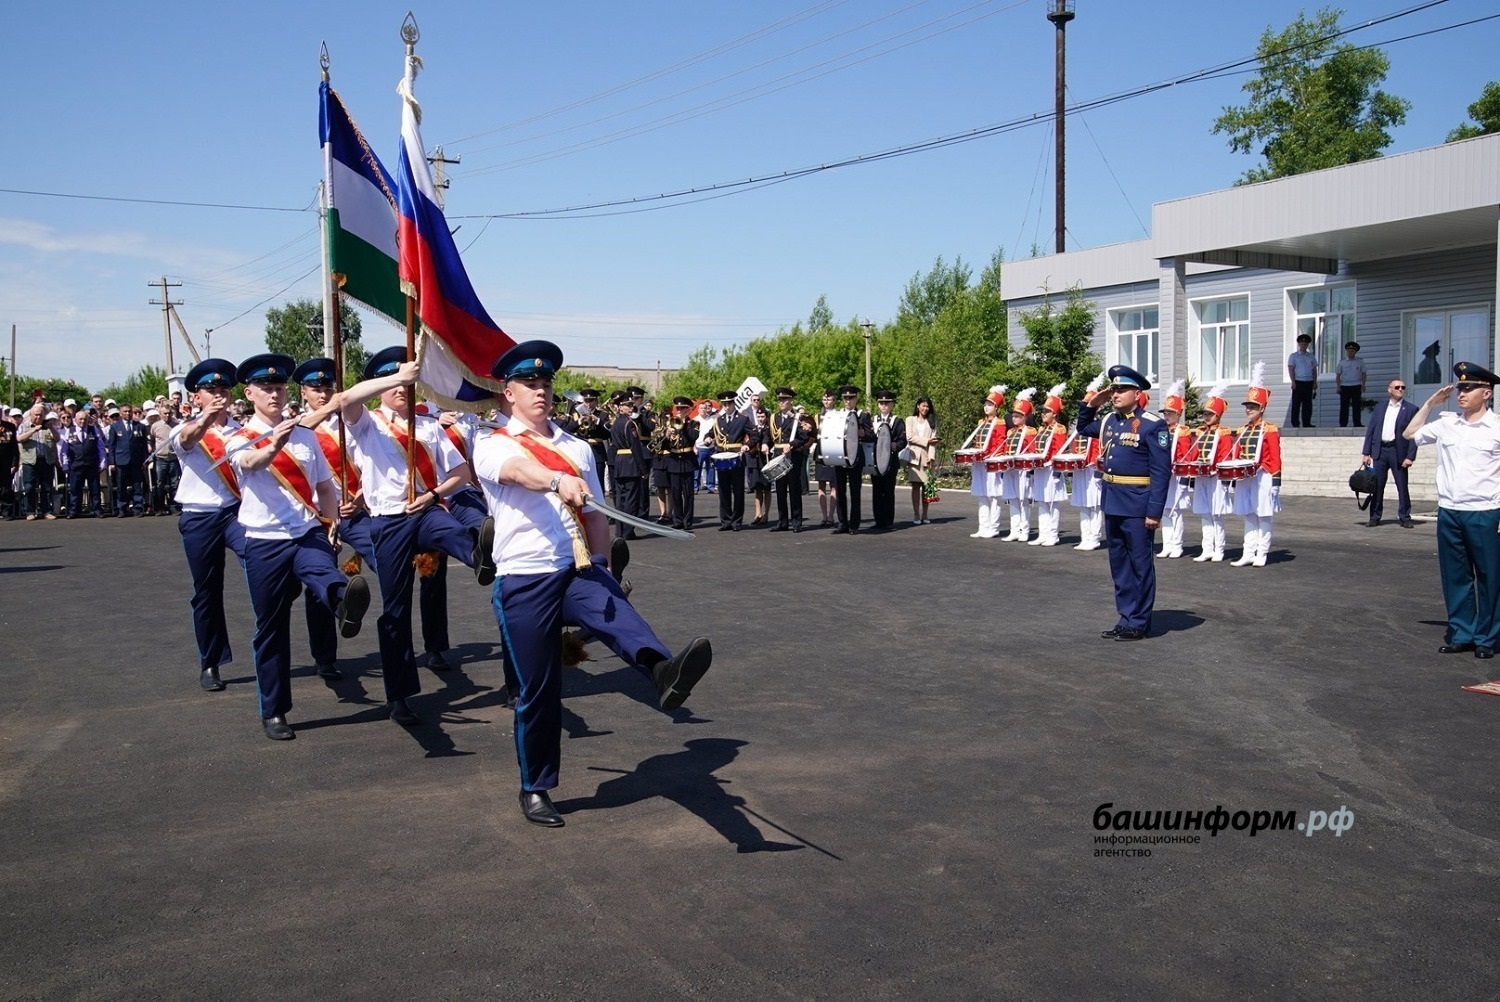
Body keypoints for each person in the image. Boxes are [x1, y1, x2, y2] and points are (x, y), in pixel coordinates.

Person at [471, 340, 712, 827]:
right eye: (529, 383)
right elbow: (520, 472)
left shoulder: (577, 447)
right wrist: (555, 481)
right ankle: (536, 786)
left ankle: (660, 671)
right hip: (523, 577)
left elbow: (595, 514)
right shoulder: (493, 442)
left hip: (574, 566)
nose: (540, 391)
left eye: (545, 383)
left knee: (615, 607)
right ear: (508, 392)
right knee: (538, 690)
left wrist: (601, 561)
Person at [339, 346, 496, 726]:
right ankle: (399, 695)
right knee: (394, 612)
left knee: (451, 530)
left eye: (406, 381)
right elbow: (345, 398)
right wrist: (398, 375)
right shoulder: (367, 423)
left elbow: (459, 474)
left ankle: (479, 558)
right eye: (392, 381)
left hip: (424, 509)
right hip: (387, 522)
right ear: (382, 384)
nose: (400, 390)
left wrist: (433, 494)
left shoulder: (428, 426)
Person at [226, 353, 370, 740]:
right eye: (267, 388)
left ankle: (344, 601)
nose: (275, 394)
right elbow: (253, 463)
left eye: (279, 387)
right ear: (250, 393)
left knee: (323, 571)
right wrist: (275, 445)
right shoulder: (238, 438)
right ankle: (274, 710)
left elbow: (324, 486)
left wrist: (331, 523)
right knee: (270, 626)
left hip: (306, 530)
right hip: (263, 541)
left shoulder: (305, 434)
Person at [1404, 362, 1500, 659]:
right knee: (1455, 576)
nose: (1461, 393)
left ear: (1486, 393)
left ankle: (1487, 638)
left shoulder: (1497, 428)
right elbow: (1410, 433)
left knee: (1489, 577)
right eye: (1460, 388)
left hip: (1485, 511)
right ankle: (1463, 633)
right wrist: (1431, 403)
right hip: (1450, 511)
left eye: (1469, 389)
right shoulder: (1447, 423)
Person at [1076, 365, 1170, 641]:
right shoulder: (1109, 422)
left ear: (1136, 393)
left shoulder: (1153, 424)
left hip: (1139, 507)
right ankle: (1125, 616)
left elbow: (1161, 472)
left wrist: (1155, 511)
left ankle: (1139, 621)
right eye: (1113, 389)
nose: (1115, 394)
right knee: (1119, 566)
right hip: (1114, 502)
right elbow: (1083, 428)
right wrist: (1091, 404)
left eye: (1121, 389)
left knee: (1140, 565)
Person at [1229, 363, 1283, 568]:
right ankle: (1248, 552)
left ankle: (1262, 552)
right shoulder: (1243, 429)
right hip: (1246, 476)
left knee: (1263, 514)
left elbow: (1276, 456)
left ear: (1262, 408)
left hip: (1264, 475)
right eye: (1247, 407)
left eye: (1252, 407)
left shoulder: (1270, 429)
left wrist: (1276, 480)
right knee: (1248, 513)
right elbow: (1238, 452)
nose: (1248, 410)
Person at [1361, 377, 1418, 528]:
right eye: (1397, 387)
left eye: (1403, 387)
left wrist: (1410, 456)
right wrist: (1366, 452)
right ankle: (1375, 516)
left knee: (1402, 486)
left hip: (1398, 452)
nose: (1400, 390)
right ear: (1390, 389)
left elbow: (1414, 435)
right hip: (1380, 451)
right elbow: (1371, 430)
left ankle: (1405, 517)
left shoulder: (1411, 409)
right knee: (1377, 486)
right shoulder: (1380, 408)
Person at [1189, 381, 1234, 562]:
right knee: (1205, 513)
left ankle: (1219, 549)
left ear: (1218, 415)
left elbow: (1225, 456)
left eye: (1210, 414)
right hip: (1202, 476)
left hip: (1216, 477)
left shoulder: (1223, 433)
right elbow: (1194, 453)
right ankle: (1206, 548)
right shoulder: (1201, 432)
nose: (1206, 417)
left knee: (1217, 514)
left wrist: (1222, 477)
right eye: (1205, 414)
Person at [1028, 384, 1072, 547]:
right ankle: (1043, 533)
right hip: (1040, 468)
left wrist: (1056, 471)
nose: (1043, 414)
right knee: (1042, 501)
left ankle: (1053, 534)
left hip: (1051, 469)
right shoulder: (1041, 429)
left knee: (1052, 503)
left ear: (1054, 413)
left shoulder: (1059, 429)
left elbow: (1058, 451)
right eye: (1042, 411)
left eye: (1046, 411)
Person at [1068, 372, 1108, 550]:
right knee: (1083, 503)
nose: (1083, 408)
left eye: (1087, 405)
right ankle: (1085, 536)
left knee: (1095, 505)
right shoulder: (1079, 428)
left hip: (1094, 469)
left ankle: (1095, 537)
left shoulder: (1101, 425)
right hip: (1081, 470)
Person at [1156, 381, 1194, 559]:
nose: (1167, 416)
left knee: (1175, 511)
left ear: (1178, 414)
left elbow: (1186, 455)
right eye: (1165, 413)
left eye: (1170, 413)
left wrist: (1184, 475)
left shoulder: (1183, 431)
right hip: (1163, 476)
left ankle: (1177, 545)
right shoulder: (1162, 430)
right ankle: (1167, 544)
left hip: (1176, 476)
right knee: (1164, 510)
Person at [829, 385, 873, 534]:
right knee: (839, 490)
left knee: (855, 491)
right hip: (840, 454)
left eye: (851, 398)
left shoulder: (863, 415)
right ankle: (842, 522)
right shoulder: (837, 414)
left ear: (856, 398)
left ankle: (854, 523)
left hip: (856, 456)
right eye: (845, 398)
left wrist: (862, 433)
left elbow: (871, 435)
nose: (848, 401)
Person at [999, 389, 1039, 542]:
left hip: (1022, 469)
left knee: (1023, 500)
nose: (1014, 418)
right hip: (1011, 469)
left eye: (1017, 416)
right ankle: (1014, 529)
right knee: (1013, 499)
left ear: (1025, 417)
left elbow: (1032, 450)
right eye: (1013, 416)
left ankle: (1025, 530)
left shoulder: (1030, 431)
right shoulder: (1010, 432)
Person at [968, 386, 1008, 539]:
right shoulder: (981, 422)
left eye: (990, 404)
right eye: (985, 404)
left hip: (991, 462)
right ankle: (983, 526)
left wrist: (991, 457)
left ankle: (994, 527)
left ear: (996, 407)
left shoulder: (1000, 423)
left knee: (994, 495)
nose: (986, 407)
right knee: (982, 495)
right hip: (980, 463)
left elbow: (1001, 443)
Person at [767, 388, 809, 532]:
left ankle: (796, 521)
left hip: (792, 456)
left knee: (794, 489)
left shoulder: (798, 418)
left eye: (784, 400)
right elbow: (768, 435)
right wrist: (765, 444)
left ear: (791, 401)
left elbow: (804, 437)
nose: (781, 402)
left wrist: (791, 444)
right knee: (780, 489)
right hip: (778, 455)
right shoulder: (774, 417)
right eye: (779, 400)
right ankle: (782, 521)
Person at [610, 391, 649, 539]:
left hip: (620, 462)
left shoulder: (615, 424)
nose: (631, 407)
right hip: (631, 463)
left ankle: (620, 531)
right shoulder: (629, 424)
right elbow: (635, 447)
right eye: (627, 405)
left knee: (621, 500)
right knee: (631, 500)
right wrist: (643, 469)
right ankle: (627, 531)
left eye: (631, 405)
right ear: (620, 407)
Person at [711, 389, 751, 531]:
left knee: (738, 491)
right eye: (724, 404)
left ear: (734, 403)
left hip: (736, 457)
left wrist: (747, 446)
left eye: (729, 403)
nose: (727, 406)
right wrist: (707, 438)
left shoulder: (742, 419)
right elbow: (711, 434)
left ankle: (737, 521)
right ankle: (726, 520)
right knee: (724, 490)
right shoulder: (719, 420)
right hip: (722, 456)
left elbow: (755, 435)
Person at [868, 390, 907, 531]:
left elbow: (903, 440)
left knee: (888, 491)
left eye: (887, 403)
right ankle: (878, 520)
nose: (884, 405)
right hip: (876, 460)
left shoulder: (897, 421)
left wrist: (894, 445)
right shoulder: (873, 420)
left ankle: (888, 521)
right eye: (881, 403)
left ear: (892, 404)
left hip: (890, 460)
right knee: (877, 490)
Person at [661, 396, 699, 530]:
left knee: (688, 494)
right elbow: (664, 446)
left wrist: (682, 425)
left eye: (682, 408)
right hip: (674, 460)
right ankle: (677, 520)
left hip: (687, 460)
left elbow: (693, 437)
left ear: (688, 410)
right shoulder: (669, 424)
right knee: (675, 493)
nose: (679, 411)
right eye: (678, 408)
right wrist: (666, 434)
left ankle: (687, 521)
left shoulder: (694, 424)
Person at [904, 396, 938, 524]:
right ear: (918, 406)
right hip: (914, 457)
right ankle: (916, 514)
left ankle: (925, 514)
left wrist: (931, 457)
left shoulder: (932, 421)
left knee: (927, 487)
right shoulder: (910, 420)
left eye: (927, 406)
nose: (925, 408)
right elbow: (910, 437)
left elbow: (933, 442)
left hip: (927, 457)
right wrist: (926, 441)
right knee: (915, 486)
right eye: (923, 405)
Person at [813, 389, 837, 526]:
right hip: (820, 451)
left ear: (834, 401)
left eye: (829, 399)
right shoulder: (817, 417)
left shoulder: (838, 415)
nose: (826, 401)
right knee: (821, 485)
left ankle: (831, 515)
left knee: (834, 485)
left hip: (833, 451)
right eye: (824, 399)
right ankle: (824, 515)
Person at [1287, 332, 1319, 427]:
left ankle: (1307, 423)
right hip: (1298, 382)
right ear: (1299, 344)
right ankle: (1295, 423)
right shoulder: (1294, 356)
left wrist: (1314, 382)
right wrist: (1293, 382)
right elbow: (1291, 369)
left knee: (1307, 404)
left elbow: (1314, 370)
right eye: (1301, 344)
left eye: (1305, 344)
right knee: (1296, 403)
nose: (1303, 346)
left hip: (1308, 382)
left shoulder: (1311, 356)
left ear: (1307, 345)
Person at [1335, 341, 1367, 428]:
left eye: (1352, 351)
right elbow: (1338, 375)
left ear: (1355, 352)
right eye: (1349, 351)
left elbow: (1363, 374)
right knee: (1344, 406)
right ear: (1346, 351)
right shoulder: (1342, 362)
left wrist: (1363, 385)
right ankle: (1343, 424)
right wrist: (1338, 386)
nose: (1350, 352)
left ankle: (1357, 423)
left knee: (1356, 406)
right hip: (1345, 386)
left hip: (1356, 385)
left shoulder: (1360, 362)